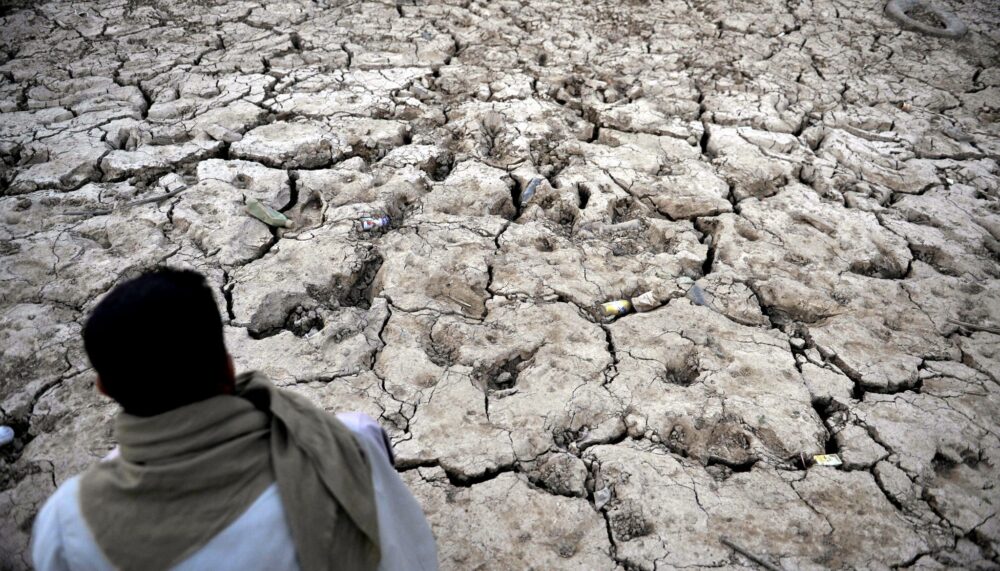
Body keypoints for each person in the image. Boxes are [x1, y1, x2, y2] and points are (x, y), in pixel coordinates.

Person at [31, 267, 437, 571]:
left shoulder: (67, 524)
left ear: (104, 388)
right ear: (228, 368)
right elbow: (409, 554)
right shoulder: (346, 447)